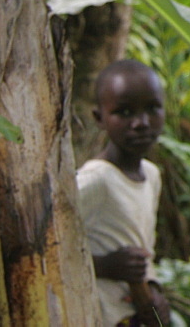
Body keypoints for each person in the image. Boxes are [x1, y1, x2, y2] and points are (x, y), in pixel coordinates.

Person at [77, 59, 172, 327]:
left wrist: (153, 290)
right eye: (125, 112)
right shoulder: (96, 179)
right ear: (100, 118)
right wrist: (105, 265)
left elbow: (144, 247)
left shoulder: (152, 175)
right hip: (97, 314)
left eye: (152, 108)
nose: (141, 123)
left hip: (132, 314)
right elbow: (52, 246)